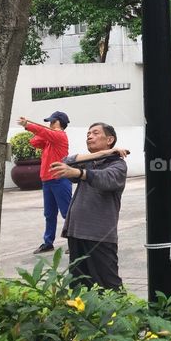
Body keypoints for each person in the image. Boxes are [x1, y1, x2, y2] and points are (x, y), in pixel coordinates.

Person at [48, 122, 128, 291]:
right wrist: (102, 153)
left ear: (110, 139)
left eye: (95, 133)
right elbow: (64, 161)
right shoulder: (90, 162)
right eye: (88, 134)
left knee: (109, 283)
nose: (89, 136)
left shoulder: (118, 165)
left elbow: (105, 179)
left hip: (99, 235)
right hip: (76, 232)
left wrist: (80, 173)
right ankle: (84, 316)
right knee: (79, 284)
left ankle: (119, 315)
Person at [18, 111, 71, 254]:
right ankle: (48, 242)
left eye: (53, 121)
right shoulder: (49, 139)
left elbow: (42, 132)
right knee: (49, 214)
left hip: (59, 179)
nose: (50, 124)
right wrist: (44, 131)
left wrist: (29, 125)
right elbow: (34, 141)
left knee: (67, 213)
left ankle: (75, 242)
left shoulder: (60, 136)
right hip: (47, 180)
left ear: (60, 122)